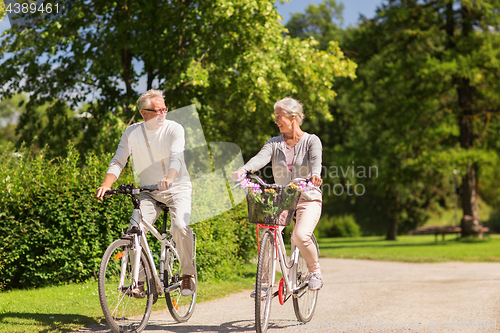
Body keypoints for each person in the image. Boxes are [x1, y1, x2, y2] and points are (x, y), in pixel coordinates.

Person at [96, 89, 196, 297]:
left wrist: (169, 177)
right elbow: (118, 160)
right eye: (157, 110)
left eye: (164, 109)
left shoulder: (173, 129)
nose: (162, 114)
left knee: (179, 226)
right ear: (144, 113)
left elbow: (176, 156)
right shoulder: (132, 133)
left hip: (176, 188)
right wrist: (106, 184)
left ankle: (188, 274)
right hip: (148, 192)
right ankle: (138, 281)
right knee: (134, 230)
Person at [232, 97, 323, 290]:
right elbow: (260, 158)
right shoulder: (274, 143)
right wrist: (244, 170)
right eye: (276, 117)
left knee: (300, 236)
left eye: (279, 116)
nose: (276, 121)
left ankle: (314, 270)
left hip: (308, 197)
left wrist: (315, 175)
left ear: (293, 117)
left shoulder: (311, 141)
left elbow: (316, 161)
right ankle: (264, 281)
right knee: (269, 233)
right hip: (282, 199)